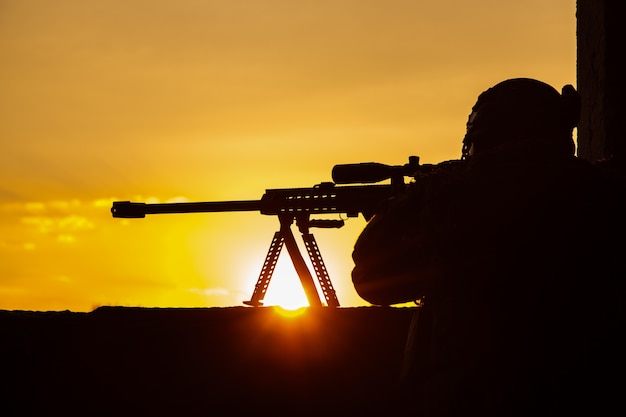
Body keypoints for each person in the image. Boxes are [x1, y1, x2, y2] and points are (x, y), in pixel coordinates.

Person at [351, 78, 626, 416]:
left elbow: (370, 280)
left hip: (472, 394)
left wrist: (405, 207)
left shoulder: (452, 195)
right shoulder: (605, 189)